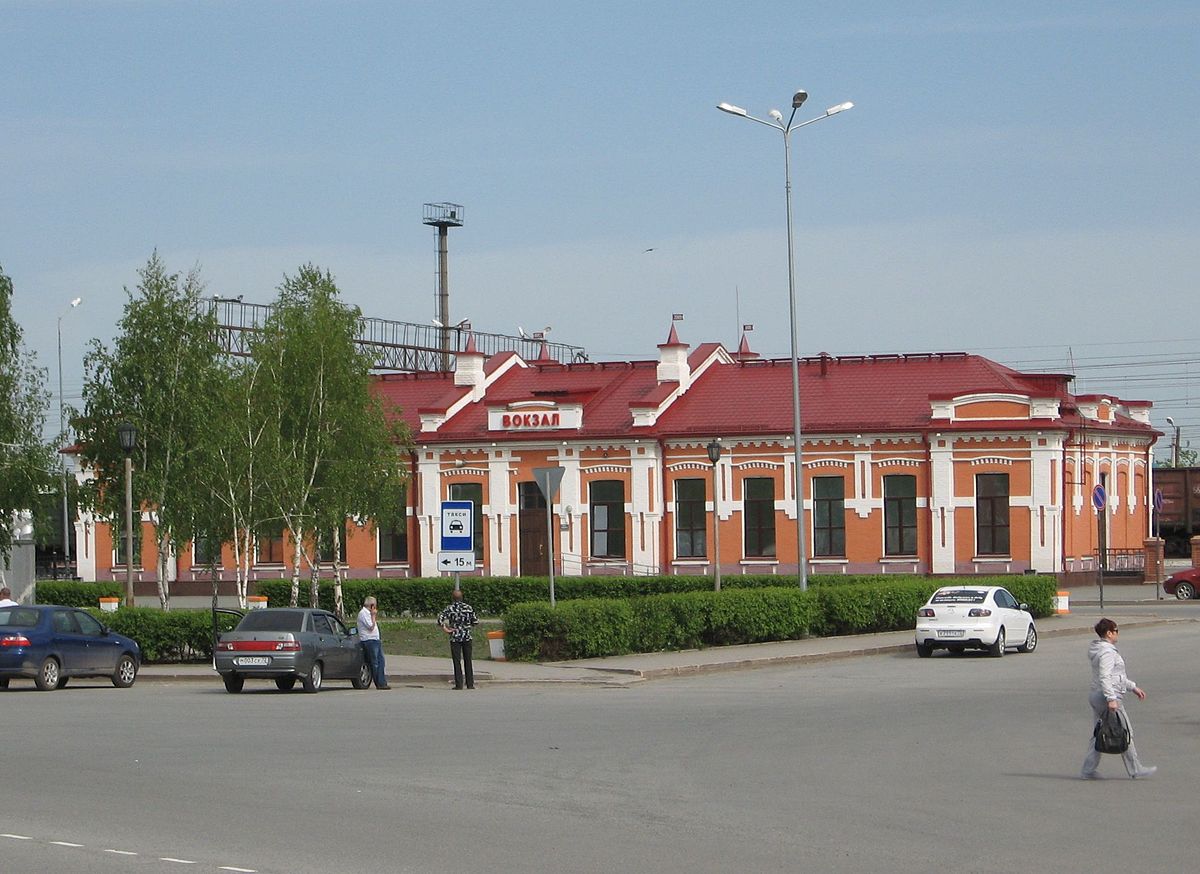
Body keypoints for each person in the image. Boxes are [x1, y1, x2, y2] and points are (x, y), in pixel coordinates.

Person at [1081, 618, 1155, 779]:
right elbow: (1105, 676)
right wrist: (1111, 699)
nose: (1117, 633)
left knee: (1100, 732)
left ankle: (1088, 770)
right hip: (1106, 696)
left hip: (1097, 695)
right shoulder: (1107, 652)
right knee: (1124, 730)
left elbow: (1117, 677)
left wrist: (1133, 687)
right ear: (1109, 633)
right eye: (1116, 631)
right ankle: (1135, 768)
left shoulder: (1100, 649)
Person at [438, 588, 479, 690]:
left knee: (457, 661)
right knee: (468, 660)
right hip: (467, 636)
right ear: (462, 597)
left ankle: (459, 684)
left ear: (453, 598)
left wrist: (446, 629)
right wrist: (467, 626)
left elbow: (440, 619)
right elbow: (475, 622)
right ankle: (470, 684)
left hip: (455, 636)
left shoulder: (450, 608)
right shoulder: (468, 608)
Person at [356, 596, 390, 690]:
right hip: (369, 640)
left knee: (381, 661)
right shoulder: (363, 613)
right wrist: (373, 615)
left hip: (375, 640)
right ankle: (379, 683)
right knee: (375, 662)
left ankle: (382, 681)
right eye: (375, 606)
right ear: (372, 606)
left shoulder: (368, 613)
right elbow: (370, 626)